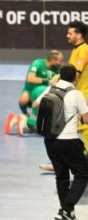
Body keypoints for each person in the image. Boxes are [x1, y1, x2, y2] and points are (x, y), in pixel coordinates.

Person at [35, 65, 88, 220]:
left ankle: (67, 213)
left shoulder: (50, 90)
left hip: (50, 141)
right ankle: (67, 208)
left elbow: (35, 105)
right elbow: (86, 119)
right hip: (69, 141)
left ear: (59, 76)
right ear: (75, 77)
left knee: (61, 176)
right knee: (83, 173)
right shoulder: (76, 94)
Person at [4, 50, 63, 136]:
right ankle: (25, 116)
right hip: (32, 90)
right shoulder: (37, 63)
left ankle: (16, 119)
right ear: (53, 60)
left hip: (43, 92)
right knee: (24, 100)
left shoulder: (57, 69)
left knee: (40, 123)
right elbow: (30, 78)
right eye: (60, 61)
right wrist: (47, 81)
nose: (61, 63)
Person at [67, 21, 88, 152]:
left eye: (70, 33)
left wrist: (57, 81)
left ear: (79, 35)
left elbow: (74, 75)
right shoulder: (75, 50)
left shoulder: (84, 50)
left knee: (85, 130)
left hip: (84, 97)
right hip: (77, 96)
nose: (67, 36)